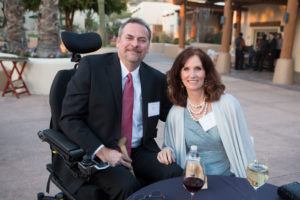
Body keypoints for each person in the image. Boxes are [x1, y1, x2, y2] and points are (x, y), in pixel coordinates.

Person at [60, 18, 182, 200]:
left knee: (175, 174)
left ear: (148, 46)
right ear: (118, 41)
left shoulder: (155, 79)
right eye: (129, 37)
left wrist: (206, 106)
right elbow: (69, 119)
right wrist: (103, 152)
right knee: (128, 187)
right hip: (100, 151)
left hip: (140, 149)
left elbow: (173, 115)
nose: (135, 44)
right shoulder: (92, 68)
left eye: (142, 40)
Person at [157, 47, 256, 178]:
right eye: (186, 69)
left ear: (206, 73)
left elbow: (244, 147)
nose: (192, 75)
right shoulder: (176, 113)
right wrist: (166, 151)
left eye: (198, 68)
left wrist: (251, 181)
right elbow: (170, 146)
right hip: (193, 180)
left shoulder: (228, 104)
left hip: (227, 179)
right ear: (179, 75)